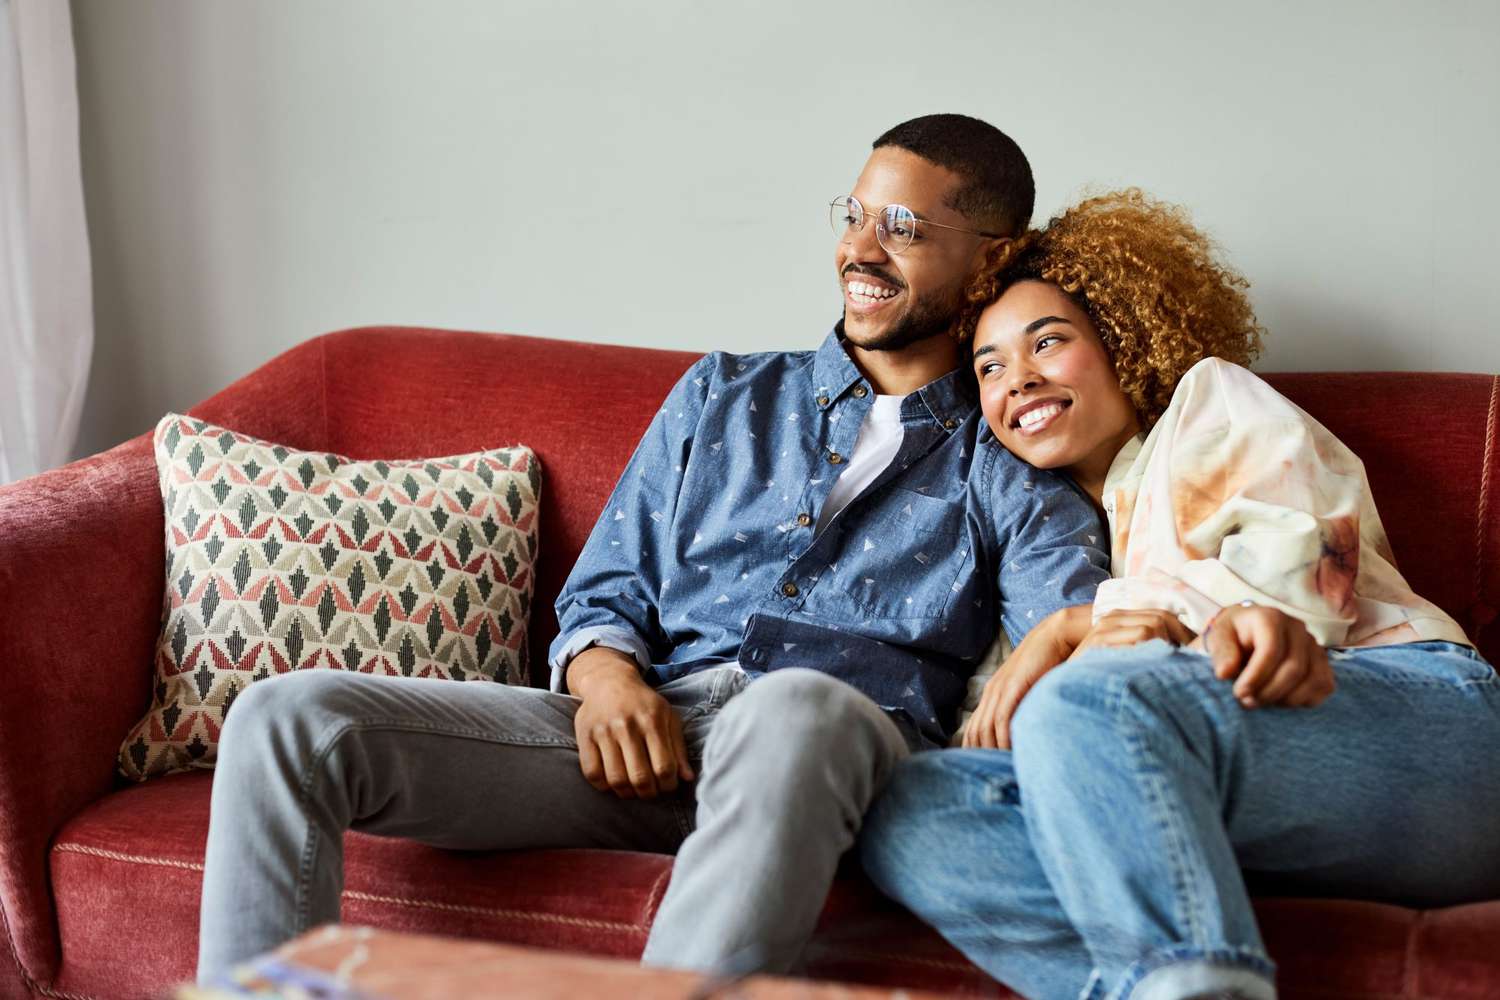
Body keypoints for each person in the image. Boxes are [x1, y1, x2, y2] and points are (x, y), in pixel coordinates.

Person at [194, 114, 1112, 982]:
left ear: (991, 262)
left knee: (794, 708)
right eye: (854, 214)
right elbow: (606, 590)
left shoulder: (1014, 453)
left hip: (830, 757)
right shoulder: (724, 393)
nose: (859, 250)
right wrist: (607, 682)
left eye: (903, 227)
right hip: (654, 740)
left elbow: (1070, 647)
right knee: (289, 719)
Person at [858, 189, 1500, 1000]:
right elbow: (1003, 745)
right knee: (904, 807)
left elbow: (1310, 579)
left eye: (1047, 343)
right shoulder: (1036, 540)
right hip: (1226, 792)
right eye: (988, 367)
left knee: (1085, 700)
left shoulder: (1210, 404)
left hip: (1425, 723)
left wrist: (1073, 630)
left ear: (1122, 343)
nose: (1018, 379)